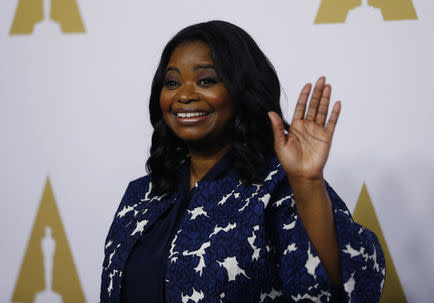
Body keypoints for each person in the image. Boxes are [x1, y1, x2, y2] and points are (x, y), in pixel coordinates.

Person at [100, 20, 385, 303]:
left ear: (241, 91)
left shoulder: (280, 187)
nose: (184, 95)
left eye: (206, 81)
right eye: (172, 82)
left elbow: (351, 284)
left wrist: (308, 183)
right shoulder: (141, 196)